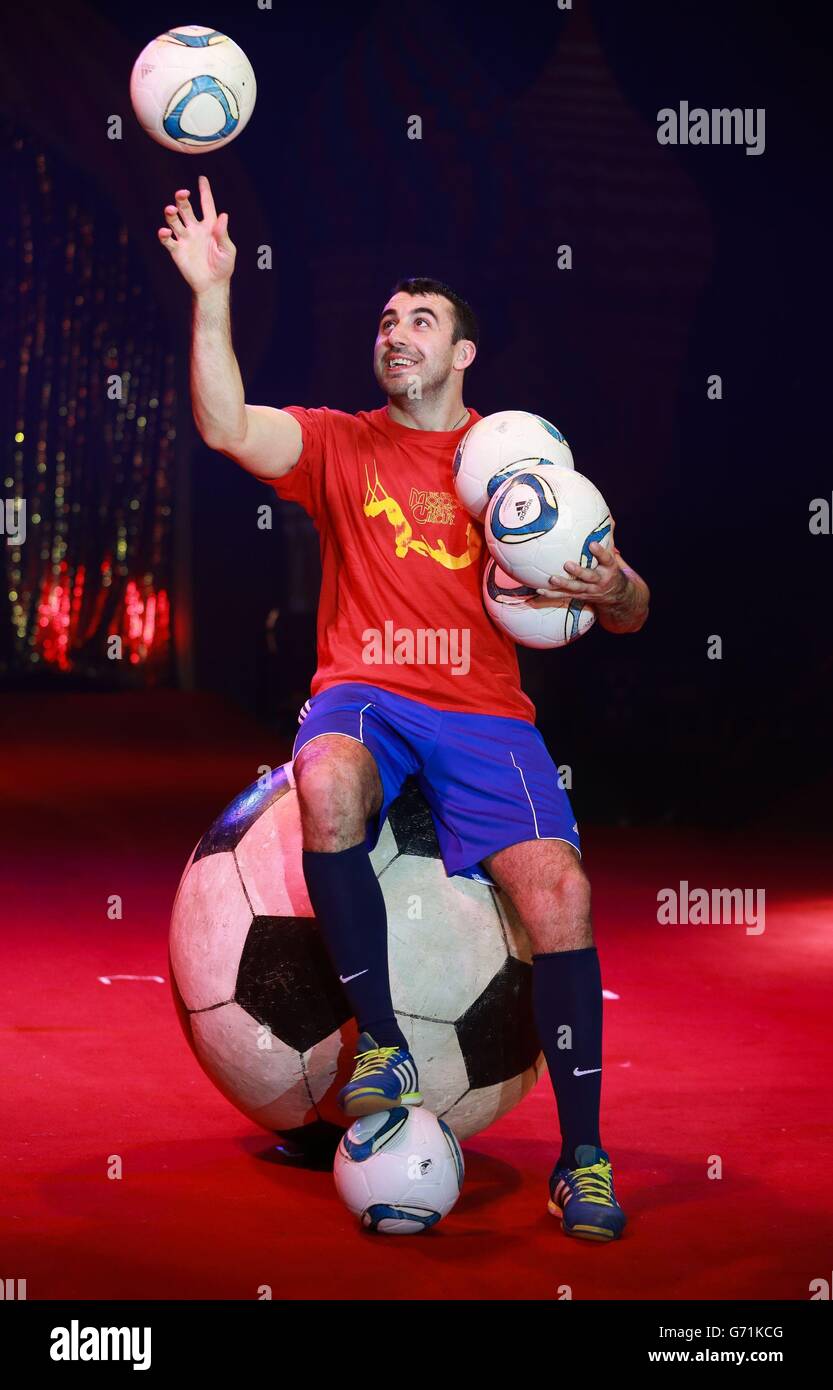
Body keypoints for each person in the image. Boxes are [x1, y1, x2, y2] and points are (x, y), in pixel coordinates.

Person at [160, 175, 650, 1241]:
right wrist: (210, 292)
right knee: (327, 779)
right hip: (364, 694)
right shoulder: (341, 444)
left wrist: (611, 589)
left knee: (561, 891)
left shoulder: (519, 476)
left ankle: (583, 1156)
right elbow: (223, 423)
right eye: (386, 321)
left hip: (484, 718)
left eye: (420, 322)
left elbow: (628, 604)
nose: (397, 334)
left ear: (462, 353)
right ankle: (379, 1038)